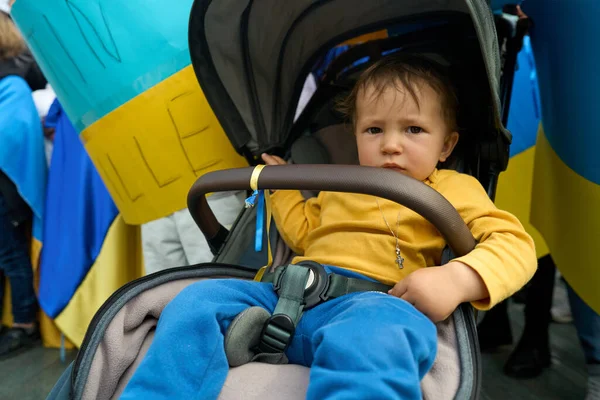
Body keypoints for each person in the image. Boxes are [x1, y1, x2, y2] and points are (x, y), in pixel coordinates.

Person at [121, 53, 537, 399]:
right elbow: (304, 233)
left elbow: (515, 244)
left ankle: (294, 354)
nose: (391, 144)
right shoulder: (340, 184)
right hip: (285, 293)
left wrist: (457, 278)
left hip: (371, 301)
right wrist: (282, 185)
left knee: (381, 337)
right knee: (198, 300)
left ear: (446, 145)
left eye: (414, 129)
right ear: (355, 135)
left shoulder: (451, 188)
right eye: (374, 130)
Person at [0, 7, 44, 358]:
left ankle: (24, 324)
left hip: (6, 183)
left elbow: (13, 133)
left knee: (11, 254)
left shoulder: (11, 80)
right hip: (6, 182)